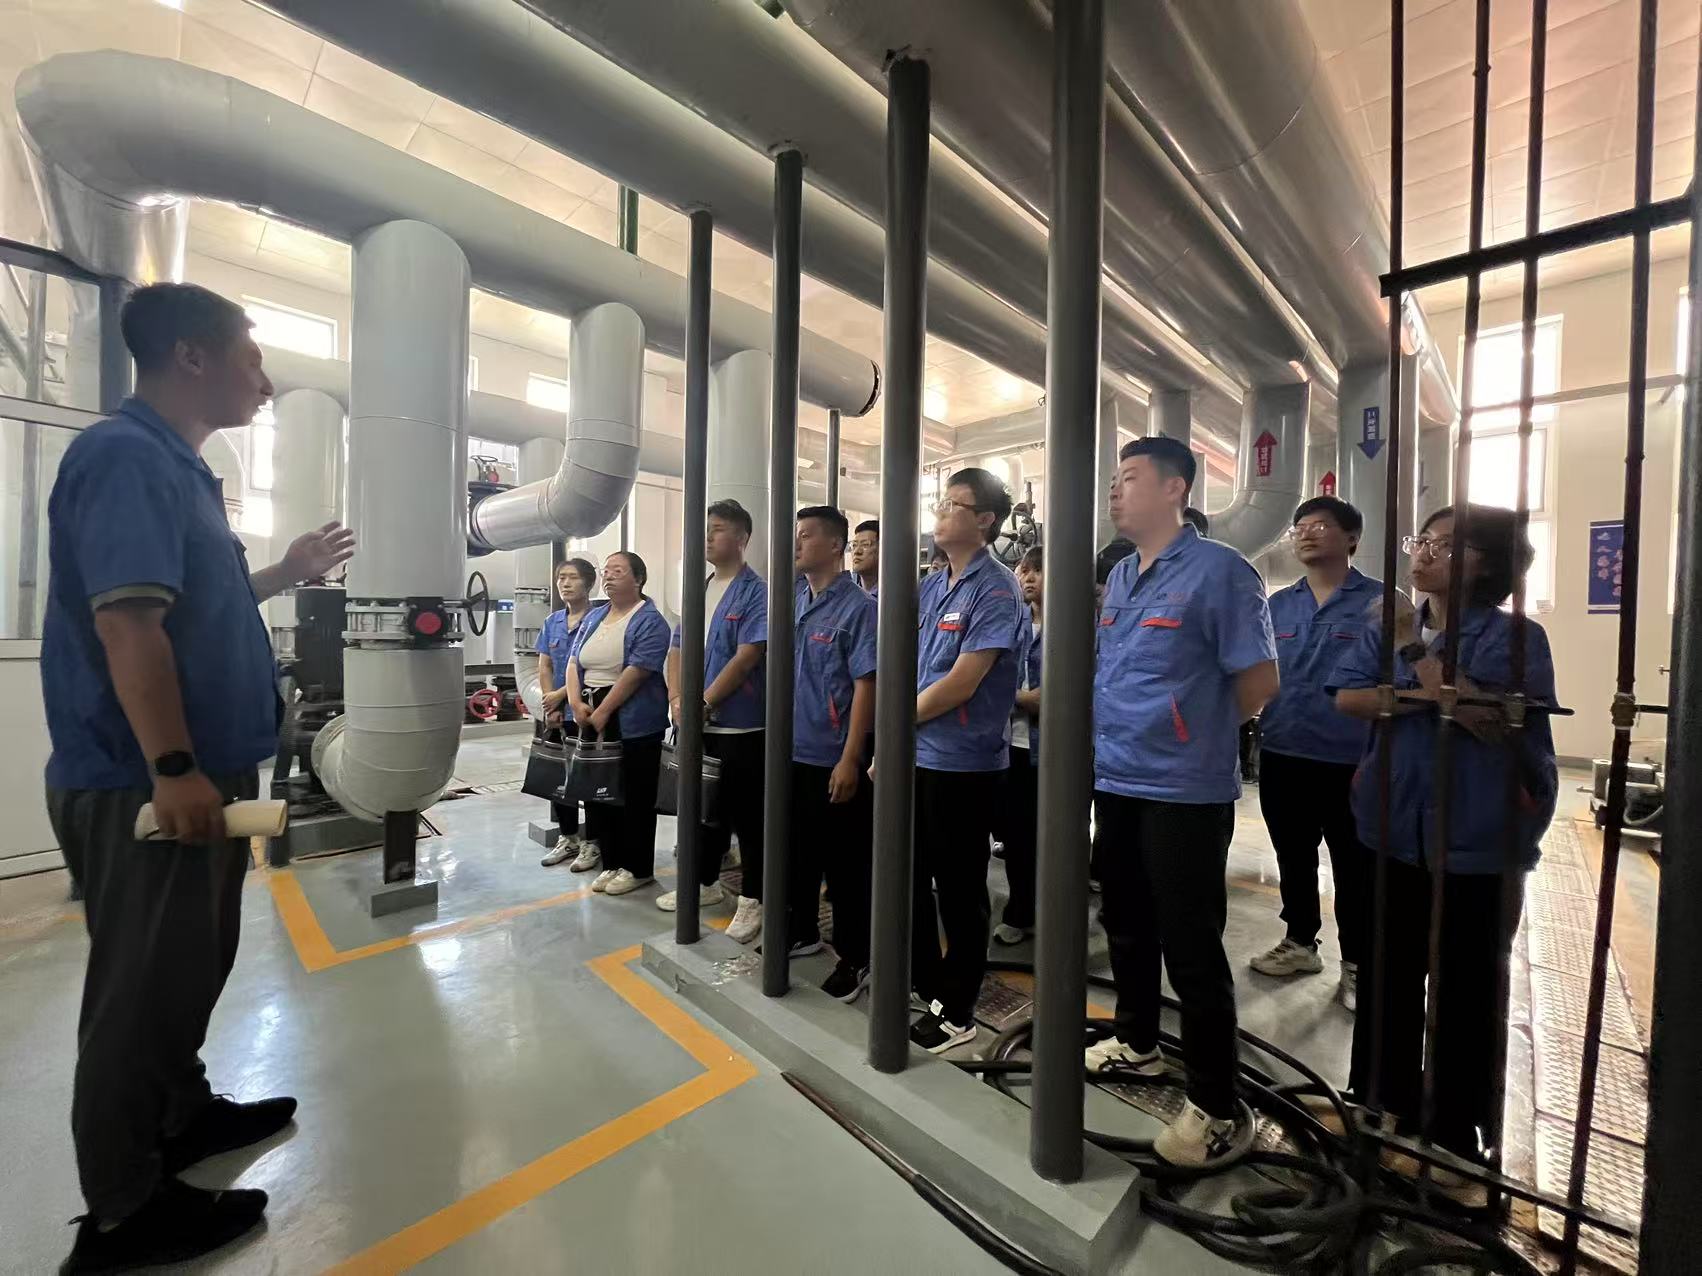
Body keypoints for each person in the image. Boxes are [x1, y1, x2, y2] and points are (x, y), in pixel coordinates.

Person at [42, 282, 356, 1271]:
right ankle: (123, 1213)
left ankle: (180, 1115)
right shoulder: (125, 456)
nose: (263, 380)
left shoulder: (180, 469)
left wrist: (283, 573)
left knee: (187, 967)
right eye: (251, 358)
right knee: (135, 995)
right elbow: (128, 624)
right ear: (190, 356)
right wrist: (172, 767)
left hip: (199, 773)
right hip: (143, 780)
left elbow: (194, 601)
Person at [1331, 505, 1556, 1169]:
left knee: (1466, 985)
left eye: (1447, 545)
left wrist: (1411, 659)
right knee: (1388, 972)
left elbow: (1488, 720)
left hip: (1476, 834)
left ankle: (1459, 1134)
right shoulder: (1387, 625)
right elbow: (1347, 698)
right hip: (1392, 825)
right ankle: (1381, 1100)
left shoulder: (1517, 638)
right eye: (1422, 540)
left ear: (1487, 564)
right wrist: (1429, 696)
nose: (1424, 552)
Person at [1086, 436, 1278, 1166]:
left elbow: (1258, 683)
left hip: (1183, 791)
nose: (1115, 490)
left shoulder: (1221, 571)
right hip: (1118, 780)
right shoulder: (1123, 575)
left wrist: (1190, 735)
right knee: (1126, 923)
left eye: (1130, 477)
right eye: (1115, 478)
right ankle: (1137, 1043)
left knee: (1191, 946)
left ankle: (1214, 1105)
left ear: (1176, 489)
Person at [906, 467, 1029, 1054]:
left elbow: (962, 682)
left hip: (963, 763)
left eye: (952, 504)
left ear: (984, 520)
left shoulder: (996, 589)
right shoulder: (934, 586)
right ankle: (927, 983)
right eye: (940, 502)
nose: (940, 512)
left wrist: (895, 724)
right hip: (919, 753)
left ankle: (958, 1011)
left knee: (958, 889)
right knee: (910, 876)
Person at [1248, 497, 1380, 1011]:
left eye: (1320, 525)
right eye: (1299, 526)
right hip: (1284, 751)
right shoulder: (1278, 604)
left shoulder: (1381, 603)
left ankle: (1358, 963)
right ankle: (1301, 942)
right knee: (1293, 856)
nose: (1305, 533)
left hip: (1353, 759)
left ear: (1352, 538)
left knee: (1355, 866)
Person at [661, 500, 767, 930]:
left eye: (718, 528)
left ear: (742, 538)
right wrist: (676, 698)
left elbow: (747, 656)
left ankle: (754, 898)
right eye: (705, 528)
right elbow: (677, 647)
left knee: (748, 816)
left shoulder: (756, 592)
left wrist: (702, 703)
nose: (707, 536)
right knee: (703, 810)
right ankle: (704, 882)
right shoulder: (699, 589)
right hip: (694, 721)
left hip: (741, 726)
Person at [787, 507, 878, 998]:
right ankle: (802, 930)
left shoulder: (859, 609)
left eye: (805, 535)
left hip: (834, 754)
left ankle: (855, 957)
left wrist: (850, 759)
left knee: (846, 865)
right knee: (799, 851)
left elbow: (867, 685)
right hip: (795, 749)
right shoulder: (797, 600)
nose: (797, 543)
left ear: (836, 545)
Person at [564, 552, 671, 897]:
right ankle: (611, 862)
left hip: (633, 722)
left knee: (635, 796)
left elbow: (637, 671)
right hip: (591, 713)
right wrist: (576, 702)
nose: (608, 576)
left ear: (638, 579)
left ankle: (637, 868)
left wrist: (604, 711)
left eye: (618, 571)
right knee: (600, 793)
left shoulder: (650, 620)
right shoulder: (595, 616)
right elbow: (573, 661)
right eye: (606, 571)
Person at [992, 545, 1043, 944]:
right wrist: (1021, 698)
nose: (1027, 578)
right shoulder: (1018, 622)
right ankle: (1022, 910)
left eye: (1037, 572)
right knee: (1019, 835)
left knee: (1056, 836)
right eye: (1024, 571)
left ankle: (1053, 908)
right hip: (1015, 745)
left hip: (1054, 751)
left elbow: (1058, 698)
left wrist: (1006, 697)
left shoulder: (1076, 626)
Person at [537, 557, 599, 869]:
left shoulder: (599, 619)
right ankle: (568, 837)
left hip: (585, 711)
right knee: (558, 780)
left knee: (589, 779)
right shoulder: (552, 622)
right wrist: (550, 703)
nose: (565, 583)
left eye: (572, 577)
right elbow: (544, 664)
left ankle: (592, 843)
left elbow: (591, 667)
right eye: (561, 577)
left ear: (588, 583)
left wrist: (561, 696)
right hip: (557, 713)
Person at [851, 519, 880, 599]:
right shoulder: (848, 596)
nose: (857, 551)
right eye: (854, 545)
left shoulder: (894, 595)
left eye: (865, 545)